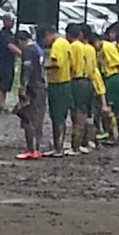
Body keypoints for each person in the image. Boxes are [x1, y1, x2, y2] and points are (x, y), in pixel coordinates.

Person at [13, 29, 46, 160]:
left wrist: (23, 87)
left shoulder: (27, 50)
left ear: (21, 41)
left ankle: (30, 149)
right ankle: (37, 148)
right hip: (41, 87)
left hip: (32, 88)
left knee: (27, 117)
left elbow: (28, 68)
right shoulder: (39, 49)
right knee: (39, 118)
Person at [42, 25, 73, 158]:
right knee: (61, 116)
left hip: (57, 83)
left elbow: (56, 63)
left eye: (44, 38)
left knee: (57, 116)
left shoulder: (57, 45)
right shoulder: (66, 43)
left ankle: (58, 147)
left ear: (49, 34)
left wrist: (43, 65)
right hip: (66, 82)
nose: (45, 42)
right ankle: (58, 146)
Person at [92, 30, 119, 143]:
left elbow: (118, 63)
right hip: (107, 78)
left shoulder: (107, 47)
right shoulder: (99, 50)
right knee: (107, 109)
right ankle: (110, 133)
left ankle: (117, 135)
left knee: (112, 109)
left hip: (113, 78)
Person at [66, 23, 94, 155]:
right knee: (84, 112)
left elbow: (71, 66)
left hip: (77, 81)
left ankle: (75, 146)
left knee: (76, 113)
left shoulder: (73, 47)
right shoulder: (89, 48)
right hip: (88, 81)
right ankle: (85, 143)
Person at [0, 13, 20, 113]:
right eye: (11, 21)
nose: (13, 23)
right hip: (4, 62)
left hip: (10, 62)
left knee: (7, 83)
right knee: (2, 84)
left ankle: (3, 104)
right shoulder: (3, 35)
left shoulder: (10, 34)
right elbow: (10, 46)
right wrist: (22, 53)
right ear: (5, 21)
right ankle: (0, 105)